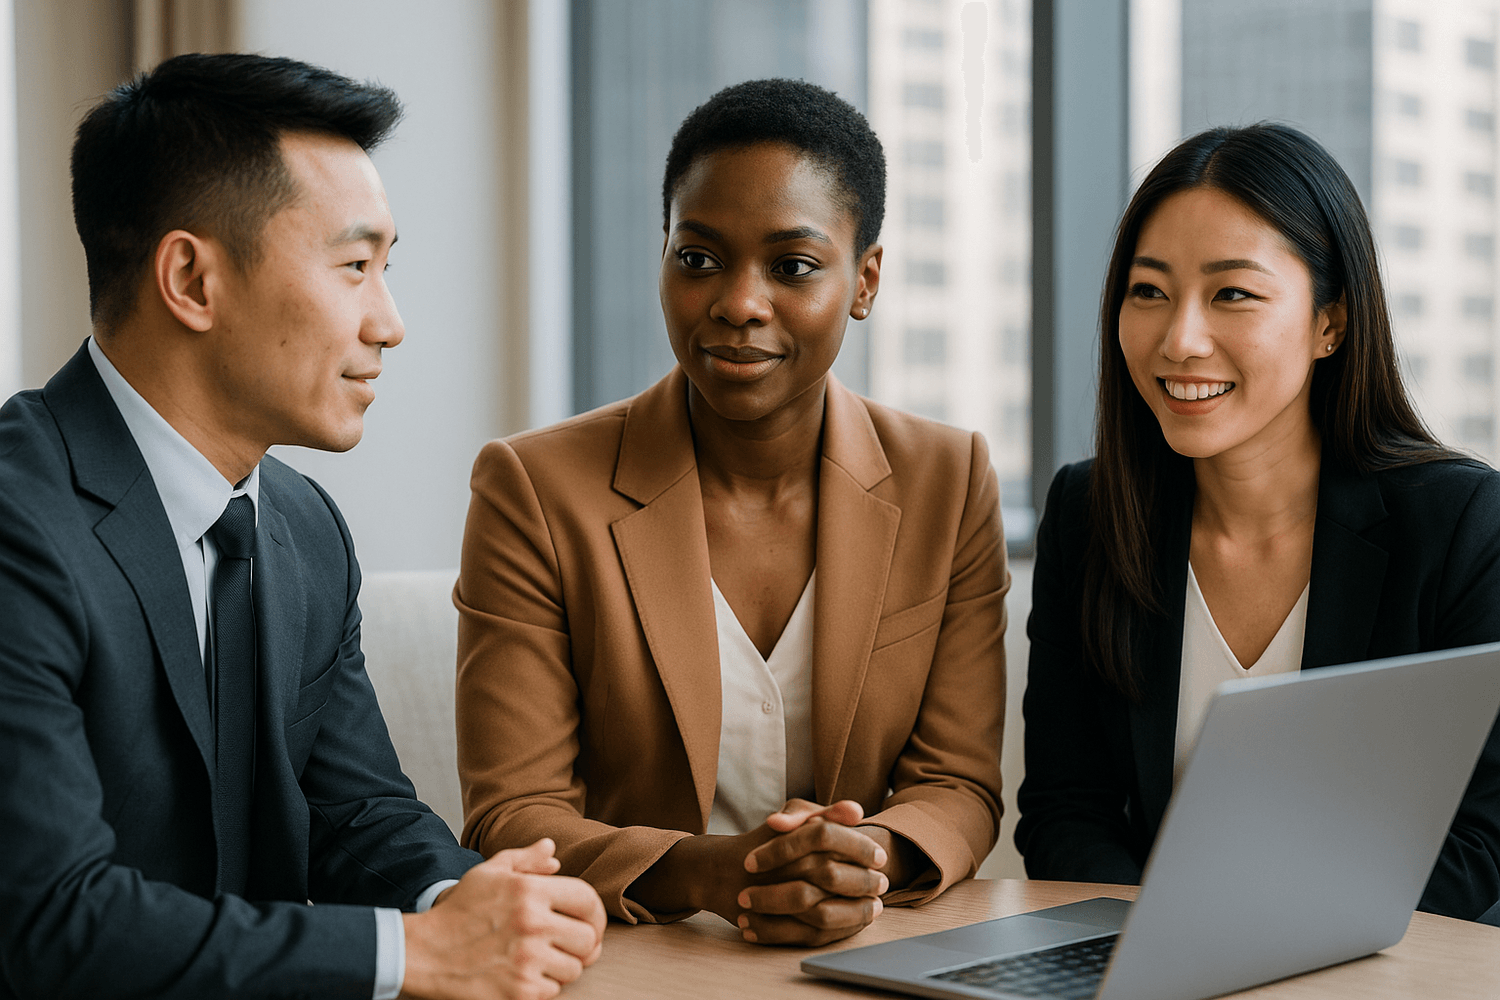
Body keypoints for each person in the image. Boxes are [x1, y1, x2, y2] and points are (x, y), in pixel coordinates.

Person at [0, 53, 604, 999]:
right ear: (192, 280)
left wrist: (461, 898)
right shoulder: (18, 522)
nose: (390, 322)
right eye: (356, 267)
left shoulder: (301, 525)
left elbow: (355, 811)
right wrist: (421, 956)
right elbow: (50, 920)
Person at [455, 78, 1008, 947]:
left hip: (865, 953)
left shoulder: (948, 478)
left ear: (865, 280)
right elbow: (512, 812)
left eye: (791, 266)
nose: (738, 303)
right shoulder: (532, 487)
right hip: (629, 959)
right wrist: (719, 872)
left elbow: (959, 785)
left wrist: (859, 857)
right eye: (699, 258)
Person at [1015, 121, 1500, 921]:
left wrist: (1255, 941)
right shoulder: (1090, 515)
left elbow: (1481, 841)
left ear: (1330, 324)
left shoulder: (1462, 525)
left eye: (1232, 293)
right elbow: (1069, 812)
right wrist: (1166, 950)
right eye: (1150, 291)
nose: (1180, 339)